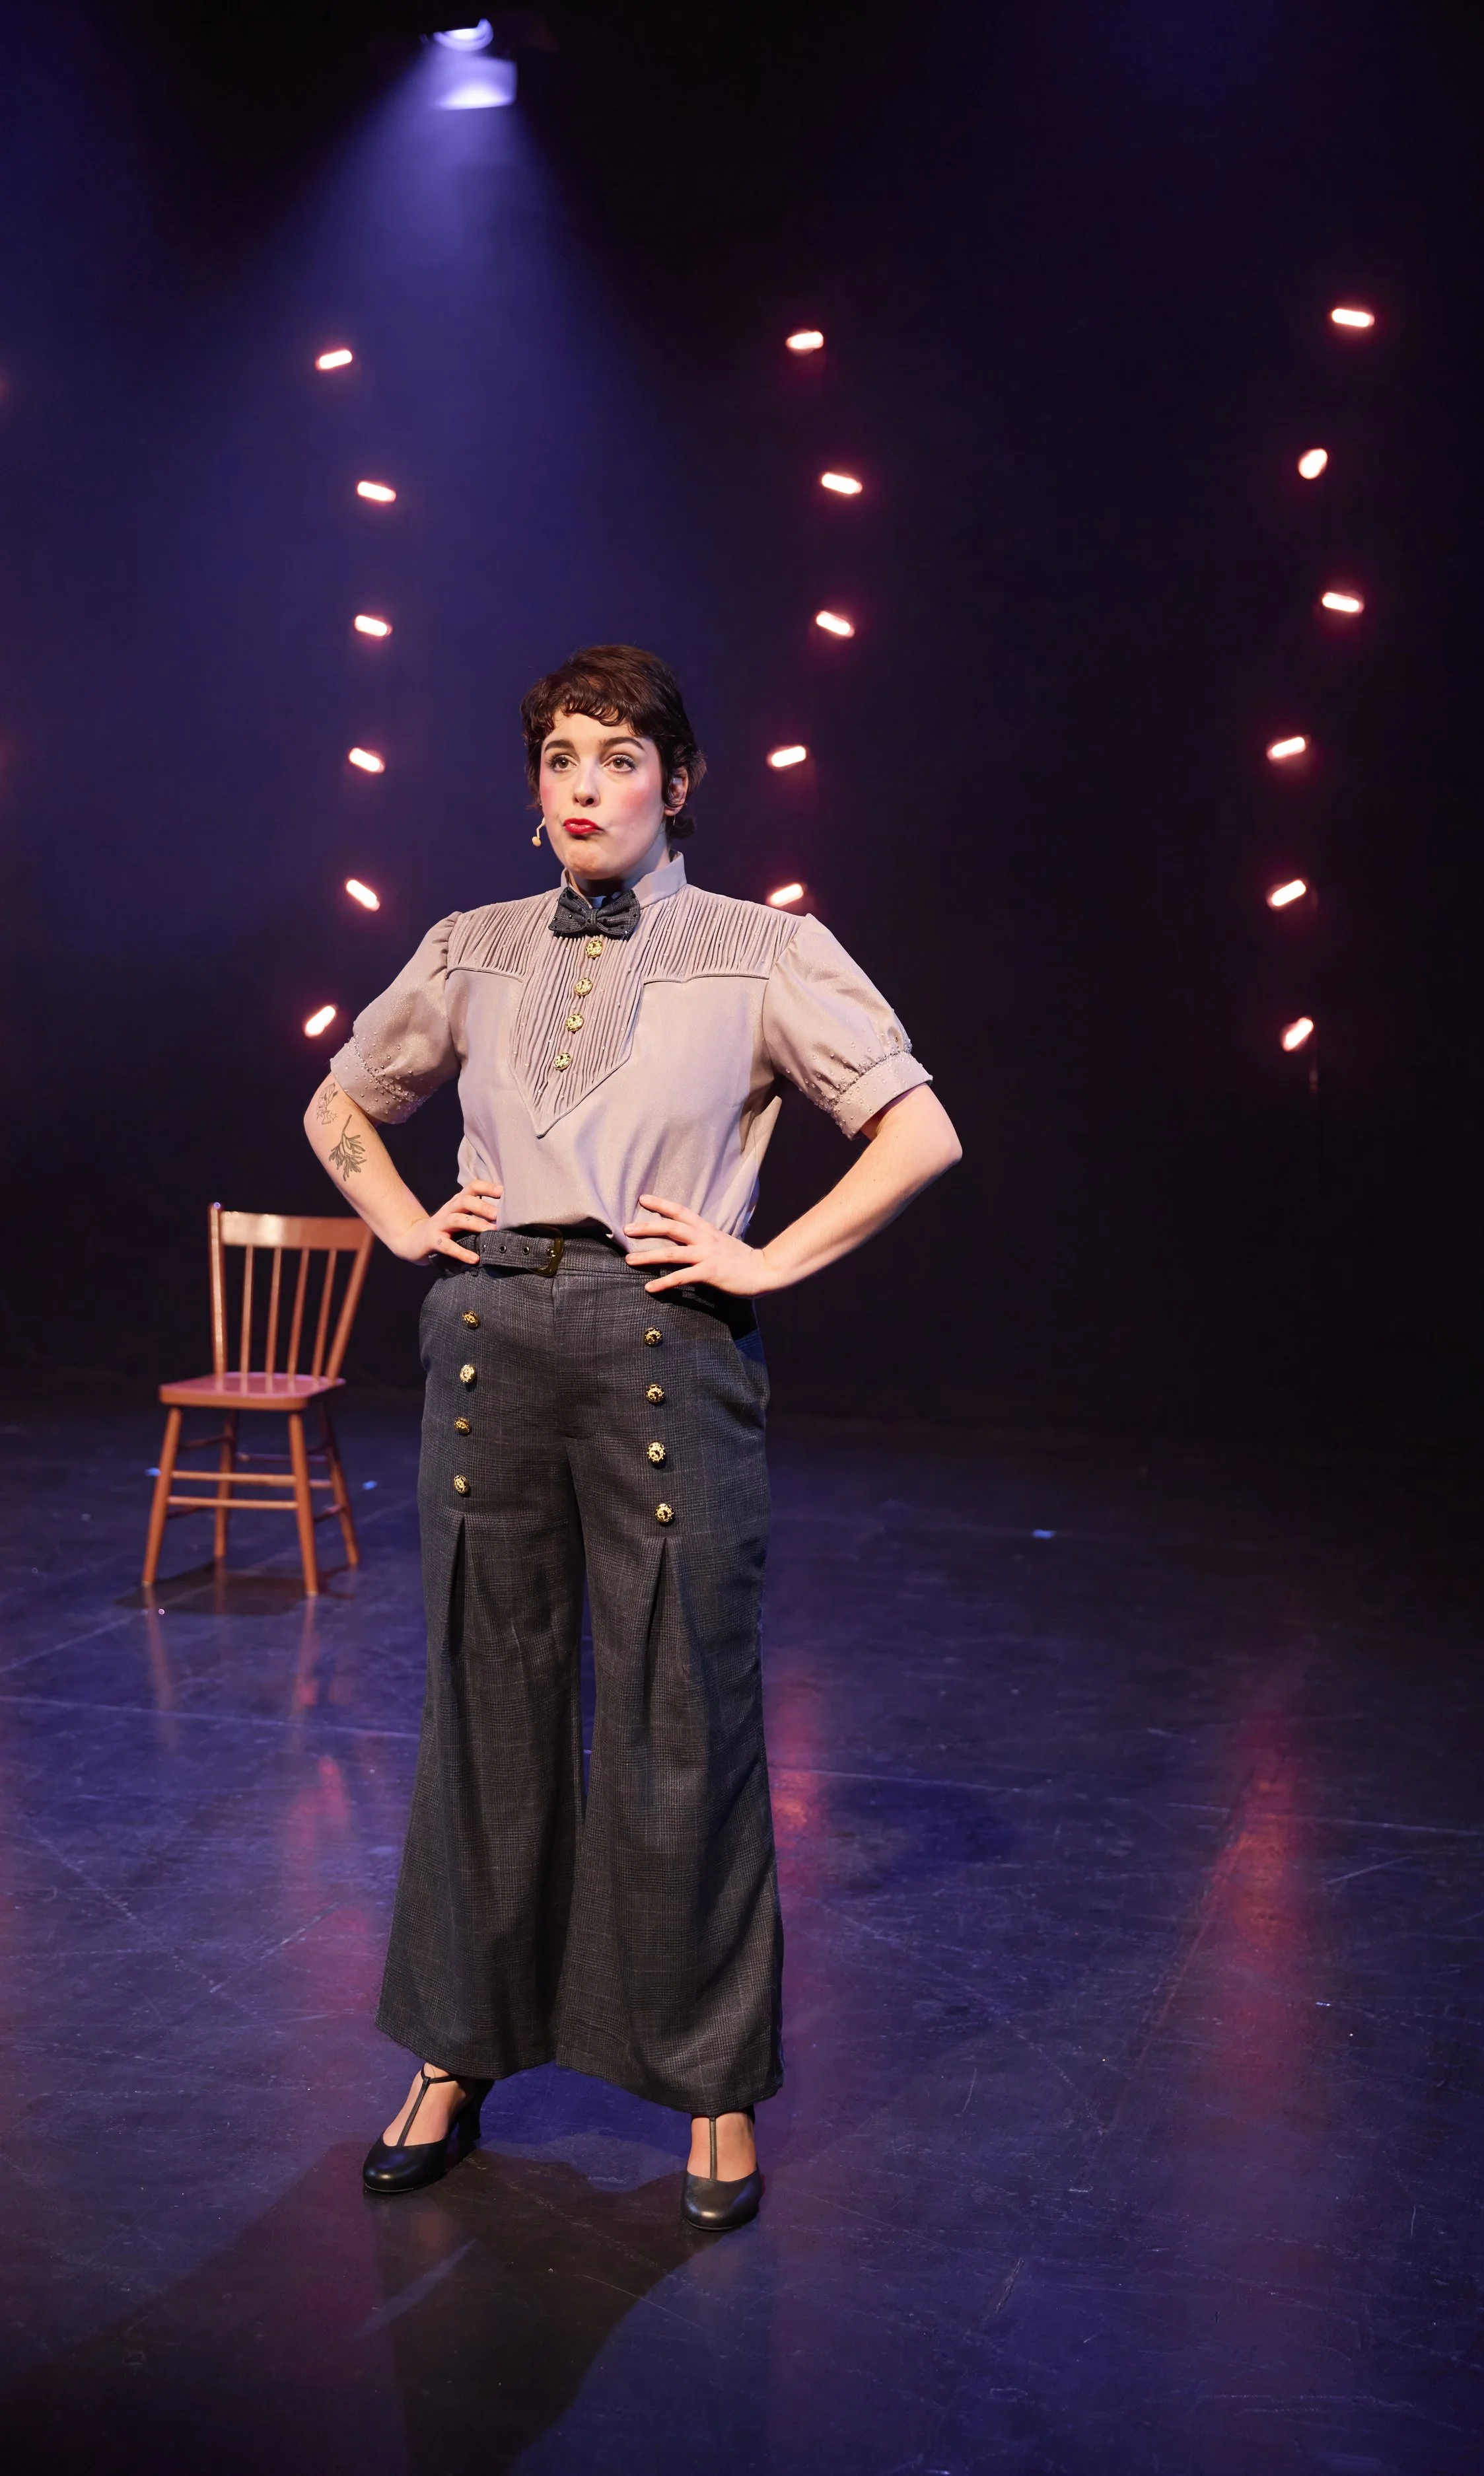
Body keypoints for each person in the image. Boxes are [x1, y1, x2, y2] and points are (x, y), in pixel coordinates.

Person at [304, 644, 960, 2230]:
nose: (585, 785)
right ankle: (455, 2051)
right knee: (487, 1699)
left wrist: (763, 1259)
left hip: (664, 1337)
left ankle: (710, 2084)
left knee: (683, 1709)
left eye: (615, 756)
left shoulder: (759, 948)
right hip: (486, 1335)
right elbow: (342, 1100)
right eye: (558, 760)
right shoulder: (470, 943)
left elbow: (916, 1126)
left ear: (677, 780)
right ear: (532, 793)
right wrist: (407, 1228)